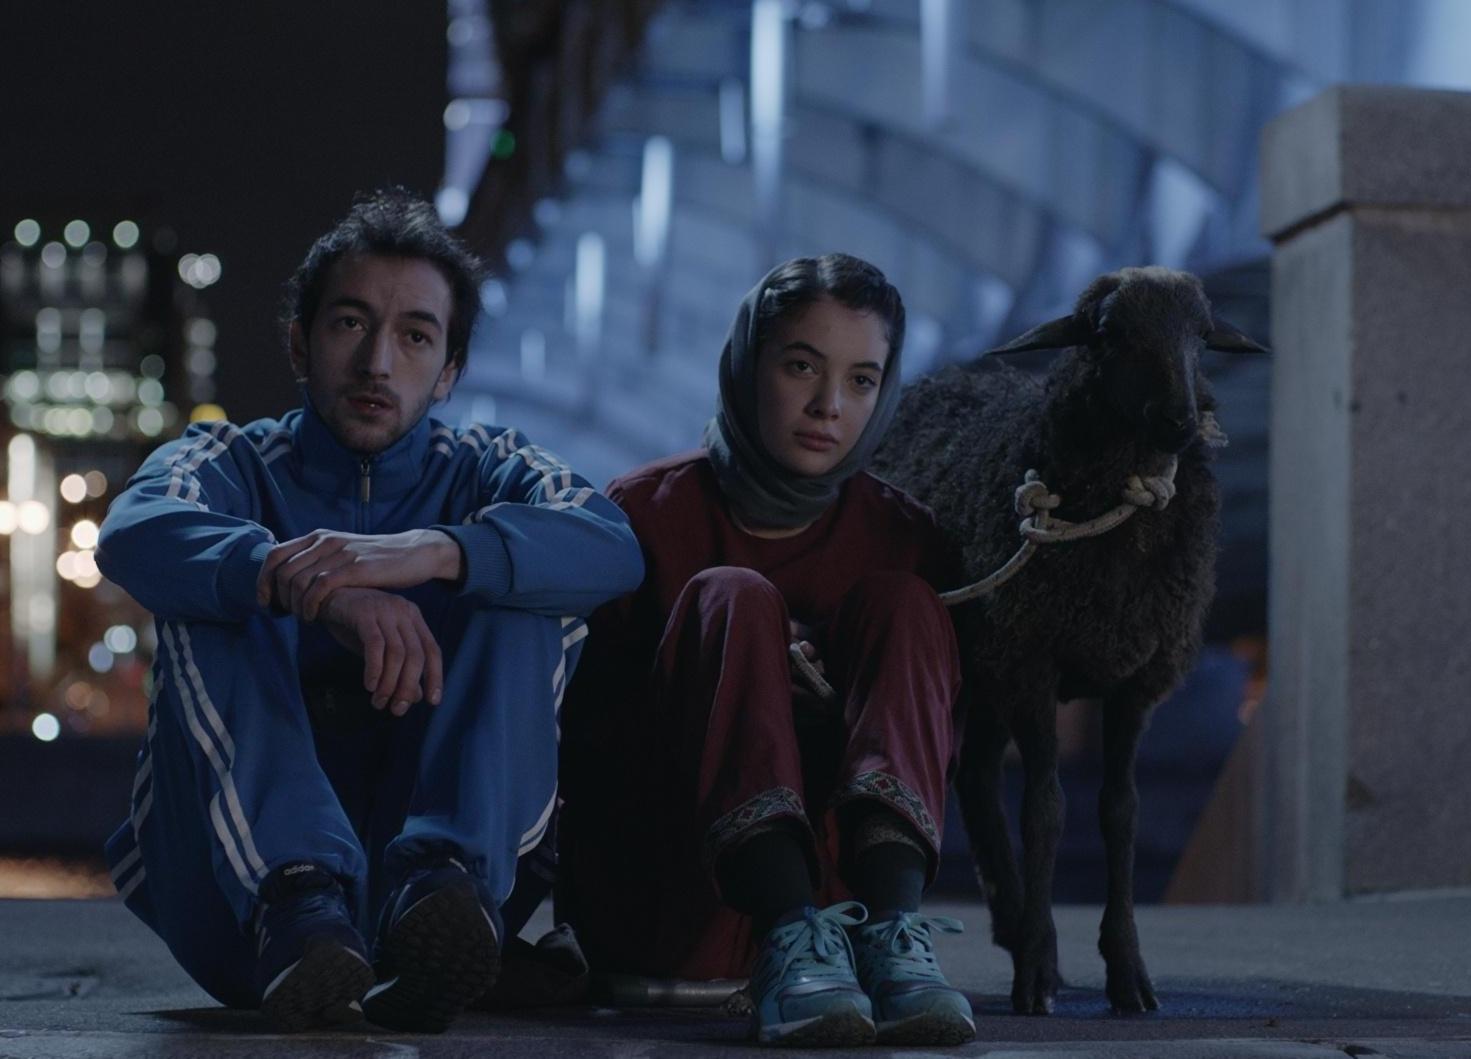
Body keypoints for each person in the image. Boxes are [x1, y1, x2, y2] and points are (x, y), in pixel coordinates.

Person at [97, 189, 644, 1034]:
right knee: (219, 588)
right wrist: (308, 582)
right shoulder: (229, 460)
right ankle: (300, 898)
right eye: (350, 324)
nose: (377, 363)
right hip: (242, 905)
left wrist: (436, 550)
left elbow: (611, 544)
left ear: (450, 371)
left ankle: (440, 886)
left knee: (520, 583)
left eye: (416, 336)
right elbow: (133, 531)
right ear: (300, 343)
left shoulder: (487, 467)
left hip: (443, 919)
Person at [559, 254, 975, 1047]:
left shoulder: (905, 535)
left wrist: (839, 706)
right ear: (747, 364)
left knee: (905, 604)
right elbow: (580, 744)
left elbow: (945, 737)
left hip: (846, 928)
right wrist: (735, 685)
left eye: (860, 380)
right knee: (732, 595)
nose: (828, 406)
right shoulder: (643, 512)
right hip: (678, 895)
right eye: (800, 366)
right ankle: (785, 926)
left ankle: (894, 932)